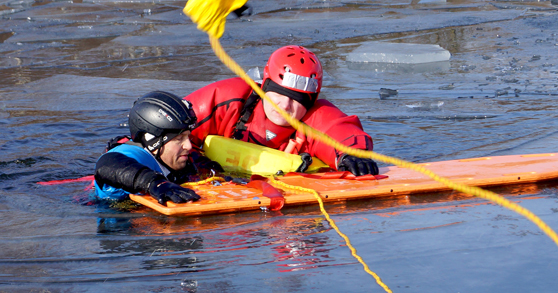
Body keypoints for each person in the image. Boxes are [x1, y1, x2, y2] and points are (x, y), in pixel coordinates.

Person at [184, 44, 379, 175]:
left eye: (297, 100)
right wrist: (193, 163)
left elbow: (341, 132)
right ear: (265, 86)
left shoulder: (314, 116)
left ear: (310, 102)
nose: (285, 106)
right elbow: (169, 123)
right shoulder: (230, 98)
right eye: (278, 94)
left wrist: (352, 155)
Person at [93, 91, 208, 203]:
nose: (188, 146)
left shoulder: (183, 158)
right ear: (153, 141)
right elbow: (105, 164)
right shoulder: (137, 155)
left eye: (188, 136)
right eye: (179, 139)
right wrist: (154, 183)